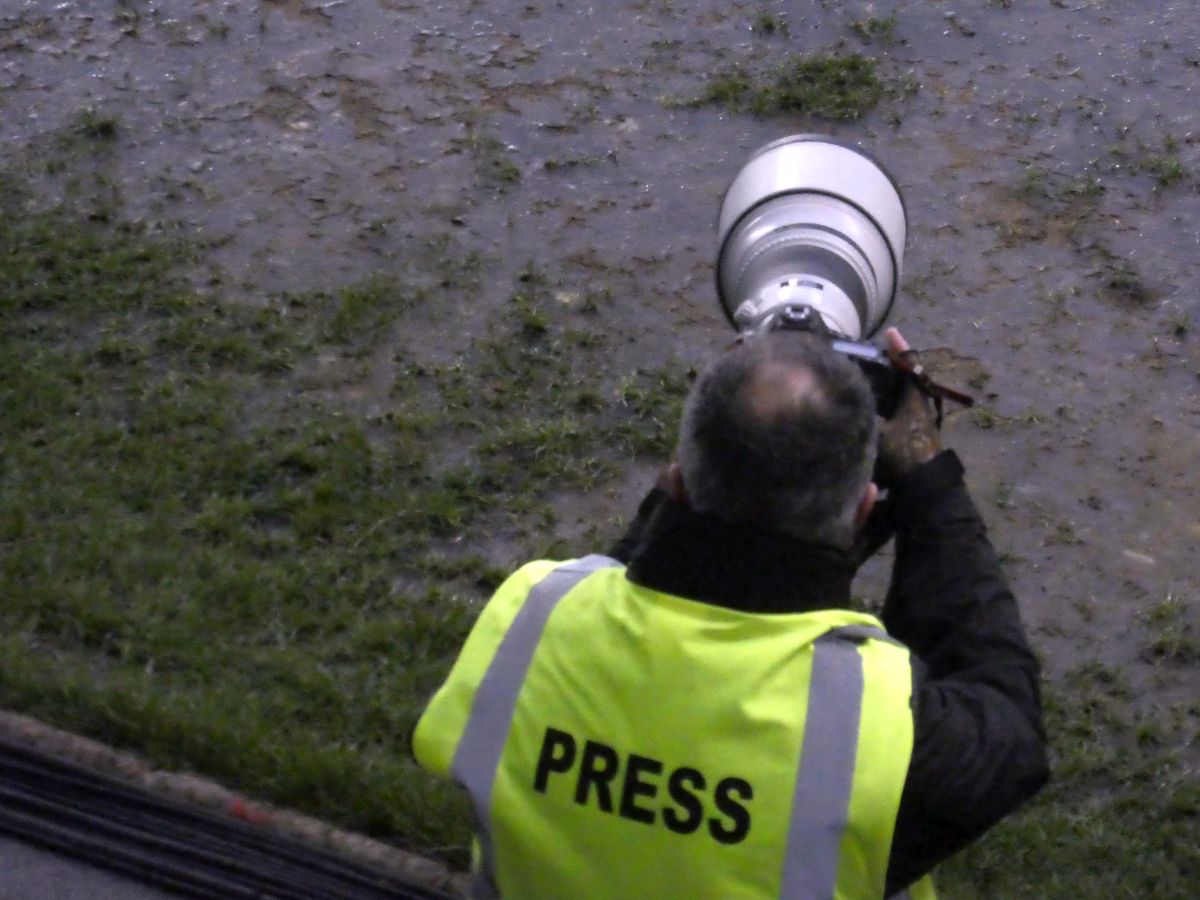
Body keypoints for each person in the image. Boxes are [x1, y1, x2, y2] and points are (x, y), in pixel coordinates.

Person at [412, 327, 1048, 899]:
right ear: (861, 512)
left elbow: (637, 566)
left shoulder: (534, 615)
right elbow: (1005, 715)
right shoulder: (871, 727)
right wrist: (929, 480)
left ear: (677, 484)